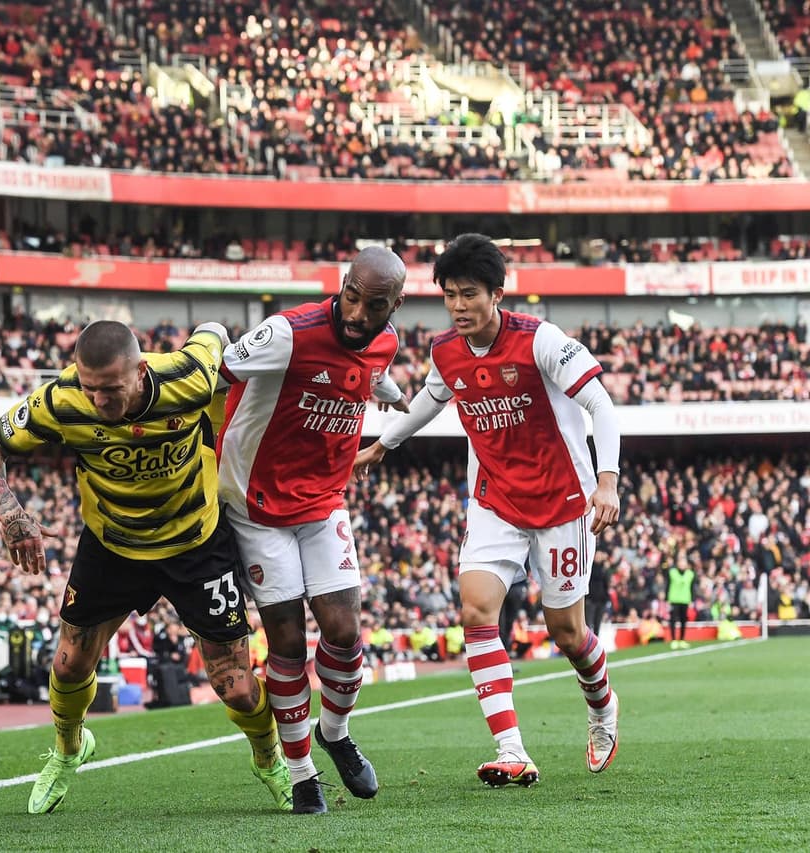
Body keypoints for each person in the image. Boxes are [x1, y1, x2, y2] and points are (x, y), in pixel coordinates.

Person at [0, 319, 292, 815]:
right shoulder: (61, 398)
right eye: (90, 388)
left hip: (195, 543)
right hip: (113, 546)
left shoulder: (189, 374)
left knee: (238, 686)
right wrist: (11, 513)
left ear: (141, 371)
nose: (99, 401)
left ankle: (269, 759)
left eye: (111, 389)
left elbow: (215, 331)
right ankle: (68, 749)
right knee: (70, 662)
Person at [354, 233, 622, 787]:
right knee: (476, 609)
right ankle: (511, 748)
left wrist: (608, 482)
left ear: (497, 294)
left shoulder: (541, 341)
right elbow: (432, 396)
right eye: (449, 295)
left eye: (468, 294)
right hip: (495, 502)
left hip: (562, 502)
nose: (457, 306)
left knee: (567, 634)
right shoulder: (446, 351)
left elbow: (601, 402)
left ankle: (602, 708)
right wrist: (385, 442)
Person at [214, 245, 407, 812]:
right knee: (289, 643)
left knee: (344, 631)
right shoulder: (285, 333)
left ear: (393, 306)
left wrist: (391, 394)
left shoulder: (386, 341)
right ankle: (301, 776)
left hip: (325, 502)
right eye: (351, 296)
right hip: (257, 505)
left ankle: (336, 734)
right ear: (342, 285)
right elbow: (216, 372)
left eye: (373, 306)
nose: (356, 314)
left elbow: (374, 372)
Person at [665, 564, 695, 650]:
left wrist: (692, 599)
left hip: (685, 599)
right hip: (674, 599)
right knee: (673, 620)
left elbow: (692, 587)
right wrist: (667, 599)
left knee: (683, 620)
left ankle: (682, 640)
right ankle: (674, 640)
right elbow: (668, 585)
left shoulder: (690, 574)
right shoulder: (672, 572)